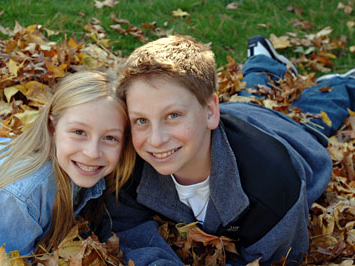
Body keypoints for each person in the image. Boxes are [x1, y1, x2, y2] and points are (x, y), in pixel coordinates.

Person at [103, 35, 355, 265]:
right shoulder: (130, 159)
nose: (156, 140)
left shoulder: (272, 187)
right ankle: (263, 61)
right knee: (253, 95)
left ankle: (342, 82)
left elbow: (279, 260)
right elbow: (125, 225)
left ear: (210, 111)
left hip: (285, 136)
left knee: (313, 117)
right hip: (229, 121)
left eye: (173, 115)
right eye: (141, 120)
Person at [0, 70, 136, 259]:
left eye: (110, 137)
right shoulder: (20, 196)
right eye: (79, 132)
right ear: (52, 128)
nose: (92, 153)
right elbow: (2, 262)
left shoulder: (107, 170)